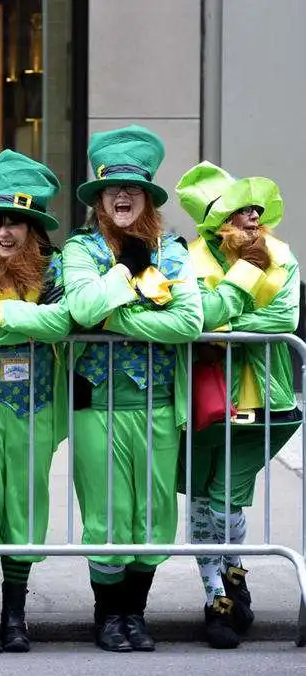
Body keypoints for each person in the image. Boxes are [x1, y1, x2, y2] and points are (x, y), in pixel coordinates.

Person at [63, 125, 203, 652]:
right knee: (106, 516)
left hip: (160, 406)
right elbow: (79, 309)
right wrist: (125, 273)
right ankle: (107, 615)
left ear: (147, 197)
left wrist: (111, 319)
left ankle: (135, 614)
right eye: (112, 189)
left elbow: (187, 323)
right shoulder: (79, 251)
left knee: (153, 517)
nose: (122, 196)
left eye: (133, 189)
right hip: (96, 405)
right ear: (98, 199)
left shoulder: (172, 253)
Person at [175, 162, 302, 649]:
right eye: (240, 210)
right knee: (203, 499)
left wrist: (222, 330)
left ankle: (234, 574)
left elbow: (284, 315)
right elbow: (195, 315)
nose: (254, 216)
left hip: (265, 399)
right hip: (201, 400)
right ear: (218, 224)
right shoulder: (187, 259)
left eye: (255, 208)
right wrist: (219, 320)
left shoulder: (280, 253)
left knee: (227, 497)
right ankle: (218, 597)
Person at [0, 150, 71, 653]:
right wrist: (26, 321)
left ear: (34, 230)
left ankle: (16, 618)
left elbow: (65, 322)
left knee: (25, 508)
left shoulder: (59, 267)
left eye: (16, 223)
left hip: (38, 409)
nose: (4, 232)